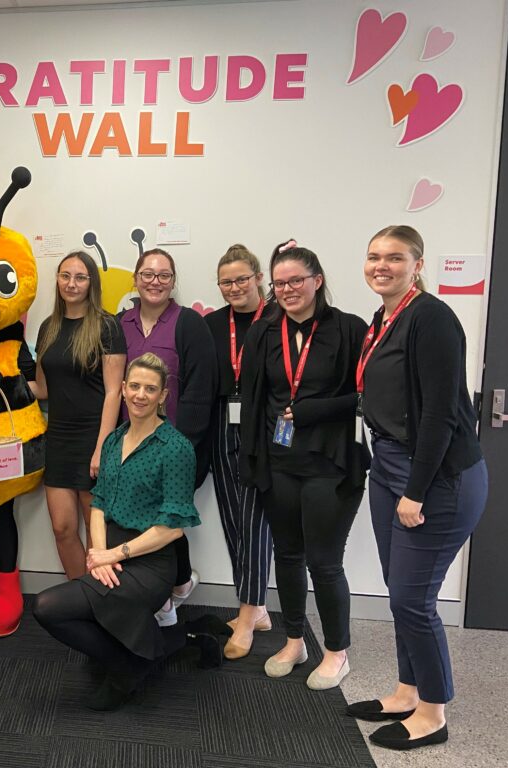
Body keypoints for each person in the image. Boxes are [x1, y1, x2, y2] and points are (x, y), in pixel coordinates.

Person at [346, 226, 487, 750]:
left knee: (412, 599)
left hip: (435, 475)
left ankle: (433, 711)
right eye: (373, 256)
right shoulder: (384, 319)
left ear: (418, 263)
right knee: (398, 587)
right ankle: (407, 690)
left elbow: (439, 417)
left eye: (394, 257)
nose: (381, 265)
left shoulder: (431, 318)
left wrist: (417, 491)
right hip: (389, 464)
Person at [33, 353, 201, 711]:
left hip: (151, 561)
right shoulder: (112, 441)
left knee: (48, 606)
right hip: (111, 550)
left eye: (150, 389)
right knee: (56, 608)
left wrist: (114, 555)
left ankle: (130, 664)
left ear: (163, 396)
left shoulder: (176, 448)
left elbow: (172, 528)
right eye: (135, 386)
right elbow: (99, 503)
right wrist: (97, 553)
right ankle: (136, 657)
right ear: (123, 389)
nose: (141, 394)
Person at [240, 240, 369, 690]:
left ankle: (337, 652)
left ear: (317, 281)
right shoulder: (263, 331)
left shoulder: (352, 329)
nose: (289, 289)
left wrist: (314, 410)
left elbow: (368, 396)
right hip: (279, 461)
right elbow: (255, 400)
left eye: (297, 280)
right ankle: (294, 640)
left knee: (324, 561)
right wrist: (251, 460)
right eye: (280, 283)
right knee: (287, 556)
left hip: (330, 463)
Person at [118, 248, 218, 625]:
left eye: (163, 275)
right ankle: (172, 586)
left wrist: (180, 449)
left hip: (177, 448)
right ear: (136, 279)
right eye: (147, 274)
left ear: (173, 281)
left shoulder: (189, 324)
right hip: (130, 446)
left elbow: (200, 391)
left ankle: (164, 600)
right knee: (140, 521)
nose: (154, 281)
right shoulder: (120, 323)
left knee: (162, 522)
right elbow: (113, 386)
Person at [35, 251, 126, 579]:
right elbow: (43, 389)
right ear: (57, 280)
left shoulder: (107, 326)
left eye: (80, 277)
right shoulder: (48, 327)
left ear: (92, 283)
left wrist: (102, 447)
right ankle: (80, 597)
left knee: (97, 533)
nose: (71, 284)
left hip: (95, 437)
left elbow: (115, 391)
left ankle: (102, 599)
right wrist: (0, 382)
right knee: (62, 528)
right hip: (58, 439)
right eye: (65, 276)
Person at [202, 244, 274, 659]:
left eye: (242, 279)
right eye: (226, 282)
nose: (234, 287)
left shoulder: (279, 319)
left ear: (258, 277)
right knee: (233, 522)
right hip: (220, 428)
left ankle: (247, 614)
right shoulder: (212, 324)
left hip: (262, 434)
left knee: (255, 523)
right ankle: (258, 608)